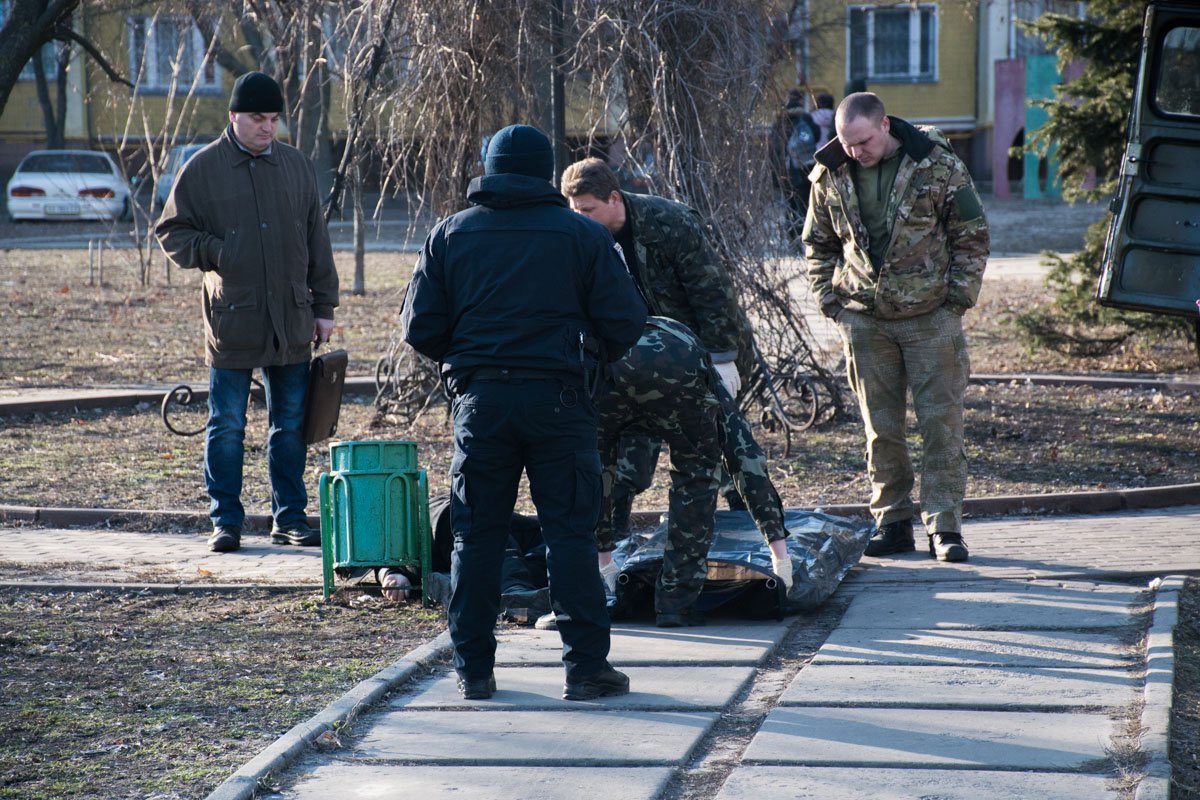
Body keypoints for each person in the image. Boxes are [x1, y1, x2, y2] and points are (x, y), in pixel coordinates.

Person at [400, 124, 647, 701]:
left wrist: (471, 360)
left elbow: (420, 326)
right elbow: (626, 321)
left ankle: (474, 670)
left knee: (476, 536)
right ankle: (586, 668)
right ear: (544, 173)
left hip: (481, 403)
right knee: (570, 535)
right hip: (561, 401)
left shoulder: (450, 233)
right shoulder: (583, 235)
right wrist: (589, 356)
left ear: (488, 169)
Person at [155, 71, 339, 554]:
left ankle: (289, 518)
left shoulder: (296, 166)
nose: (267, 128)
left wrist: (324, 306)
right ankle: (226, 522)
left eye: (274, 119)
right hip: (233, 319)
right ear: (234, 115)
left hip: (292, 318)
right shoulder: (202, 168)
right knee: (227, 426)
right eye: (258, 118)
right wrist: (217, 251)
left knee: (291, 424)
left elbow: (317, 240)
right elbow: (170, 231)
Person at [802, 91, 989, 562]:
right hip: (865, 322)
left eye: (863, 141)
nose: (855, 152)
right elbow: (817, 244)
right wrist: (833, 305)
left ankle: (945, 528)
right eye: (847, 143)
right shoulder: (830, 172)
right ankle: (892, 523)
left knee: (941, 426)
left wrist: (956, 302)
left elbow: (971, 235)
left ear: (884, 125)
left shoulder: (937, 164)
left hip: (931, 319)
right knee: (880, 430)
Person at [560, 157, 751, 533]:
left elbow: (712, 292)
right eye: (574, 210)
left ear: (614, 198)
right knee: (622, 455)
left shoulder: (669, 222)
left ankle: (746, 527)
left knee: (721, 442)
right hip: (629, 360)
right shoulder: (579, 238)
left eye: (587, 210)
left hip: (693, 352)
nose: (579, 218)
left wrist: (722, 358)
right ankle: (611, 539)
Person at [593, 317, 794, 628]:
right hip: (677, 365)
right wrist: (780, 555)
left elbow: (594, 477)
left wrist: (604, 560)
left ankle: (597, 579)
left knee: (591, 470)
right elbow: (744, 457)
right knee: (695, 479)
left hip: (606, 367)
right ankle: (675, 605)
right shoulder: (700, 369)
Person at [771, 89, 821, 239]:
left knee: (789, 205)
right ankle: (803, 235)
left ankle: (791, 234)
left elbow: (773, 148)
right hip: (803, 169)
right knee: (804, 205)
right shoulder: (804, 118)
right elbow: (816, 135)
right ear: (800, 100)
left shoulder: (779, 121)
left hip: (783, 171)